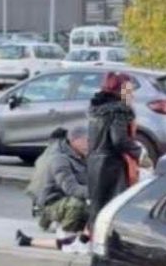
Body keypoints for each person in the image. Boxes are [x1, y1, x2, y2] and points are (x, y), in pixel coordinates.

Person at [16, 125, 90, 253]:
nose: (90, 144)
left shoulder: (82, 155)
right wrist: (97, 193)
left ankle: (30, 238)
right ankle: (65, 230)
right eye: (87, 141)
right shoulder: (59, 158)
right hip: (53, 203)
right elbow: (71, 189)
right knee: (77, 205)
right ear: (74, 140)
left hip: (62, 201)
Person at [86, 71, 144, 228]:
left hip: (95, 163)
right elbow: (119, 140)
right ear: (122, 89)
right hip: (113, 165)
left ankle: (93, 240)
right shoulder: (120, 109)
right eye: (129, 90)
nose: (132, 95)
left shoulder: (96, 108)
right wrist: (139, 153)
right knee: (115, 207)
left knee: (98, 206)